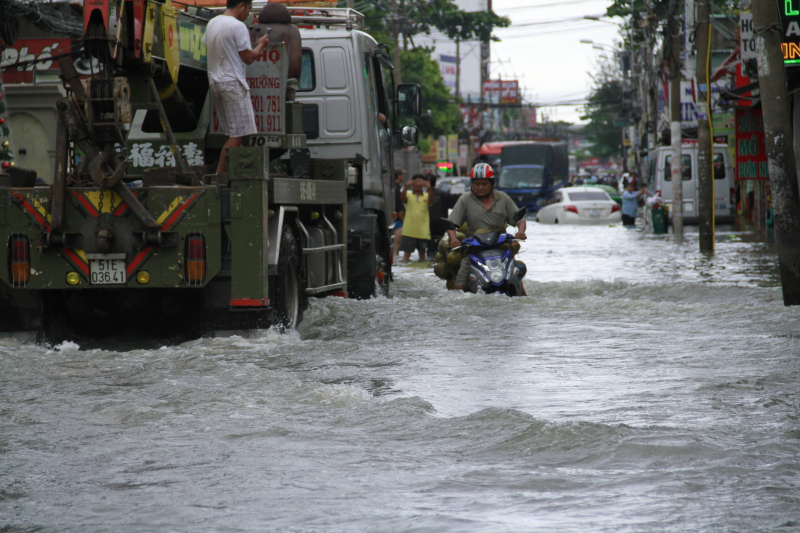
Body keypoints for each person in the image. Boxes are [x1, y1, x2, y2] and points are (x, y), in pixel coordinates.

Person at [204, 0, 270, 175]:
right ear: (241, 5)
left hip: (215, 83)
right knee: (240, 134)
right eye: (249, 9)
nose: (249, 14)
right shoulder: (238, 26)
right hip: (232, 84)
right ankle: (219, 176)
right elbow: (248, 58)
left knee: (234, 134)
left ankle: (228, 173)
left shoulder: (212, 23)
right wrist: (261, 44)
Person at [447, 163, 527, 293]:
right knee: (459, 288)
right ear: (472, 184)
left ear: (492, 184)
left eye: (484, 184)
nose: (480, 187)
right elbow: (451, 223)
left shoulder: (503, 198)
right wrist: (453, 239)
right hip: (474, 251)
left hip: (501, 249)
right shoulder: (465, 199)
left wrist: (521, 232)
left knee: (518, 286)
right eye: (477, 184)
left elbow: (519, 219)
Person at [400, 174, 434, 261]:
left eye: (420, 181)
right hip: (409, 231)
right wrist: (406, 186)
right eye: (416, 181)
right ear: (413, 183)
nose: (418, 184)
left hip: (423, 231)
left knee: (422, 256)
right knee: (406, 254)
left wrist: (429, 188)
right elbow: (402, 199)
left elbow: (431, 201)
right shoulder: (408, 194)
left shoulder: (426, 195)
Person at [426, 175, 460, 257]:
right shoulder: (443, 194)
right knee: (440, 244)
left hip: (428, 223)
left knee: (430, 245)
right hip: (441, 222)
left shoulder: (424, 194)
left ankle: (431, 255)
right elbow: (453, 203)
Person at [392, 168, 405, 257]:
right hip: (398, 221)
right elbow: (399, 207)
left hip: (394, 220)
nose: (403, 176)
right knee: (397, 245)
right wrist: (404, 222)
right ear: (399, 176)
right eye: (402, 174)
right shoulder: (396, 189)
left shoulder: (393, 187)